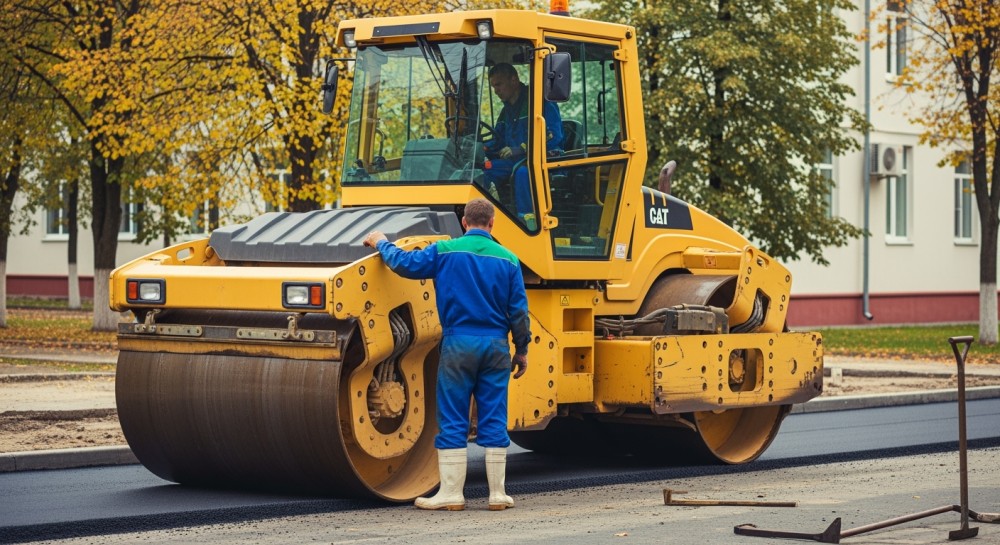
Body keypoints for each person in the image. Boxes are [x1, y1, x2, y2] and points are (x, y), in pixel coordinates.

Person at [363, 198, 530, 511]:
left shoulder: (445, 251)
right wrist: (521, 350)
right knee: (494, 416)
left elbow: (404, 264)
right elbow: (519, 312)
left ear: (464, 223)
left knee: (453, 417)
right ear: (492, 224)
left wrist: (382, 243)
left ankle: (452, 495)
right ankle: (497, 495)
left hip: (458, 345)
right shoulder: (509, 259)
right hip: (495, 347)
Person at [483, 63, 563, 228]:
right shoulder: (506, 111)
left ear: (514, 80)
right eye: (493, 87)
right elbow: (498, 139)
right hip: (514, 161)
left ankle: (527, 223)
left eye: (499, 84)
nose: (496, 91)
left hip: (544, 160)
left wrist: (522, 148)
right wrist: (482, 148)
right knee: (483, 171)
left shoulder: (540, 102)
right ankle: (488, 220)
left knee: (523, 172)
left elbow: (553, 135)